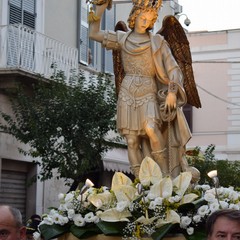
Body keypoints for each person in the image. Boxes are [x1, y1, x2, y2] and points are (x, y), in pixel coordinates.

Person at [89, 0, 198, 180]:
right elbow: (93, 33)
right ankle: (142, 183)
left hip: (148, 91)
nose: (145, 22)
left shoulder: (157, 42)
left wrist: (172, 91)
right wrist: (99, 8)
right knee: (131, 142)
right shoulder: (122, 39)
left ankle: (164, 177)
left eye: (149, 19)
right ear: (134, 16)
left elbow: (174, 70)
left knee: (151, 129)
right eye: (142, 17)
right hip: (127, 93)